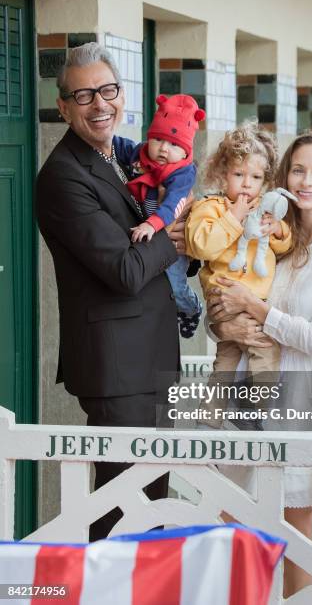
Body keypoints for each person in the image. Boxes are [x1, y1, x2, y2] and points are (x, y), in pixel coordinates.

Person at [205, 132, 312, 596]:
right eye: (298, 170)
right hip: (248, 396)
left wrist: (257, 309)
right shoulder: (275, 236)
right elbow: (229, 300)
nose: (306, 181)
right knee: (231, 521)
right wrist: (227, 325)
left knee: (293, 533)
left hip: (303, 402)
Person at [36, 42, 184, 541]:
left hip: (152, 358)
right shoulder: (63, 176)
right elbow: (123, 270)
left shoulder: (122, 156)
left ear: (122, 94)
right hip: (116, 368)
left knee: (151, 502)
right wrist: (175, 237)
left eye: (109, 90)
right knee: (121, 505)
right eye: (84, 95)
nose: (100, 103)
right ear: (62, 107)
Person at [185, 121, 292, 425]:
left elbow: (288, 246)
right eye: (238, 174)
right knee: (247, 354)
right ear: (222, 173)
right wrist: (233, 217)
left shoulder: (268, 210)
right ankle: (239, 418)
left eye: (256, 177)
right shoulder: (212, 207)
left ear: (266, 181)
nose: (247, 184)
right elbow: (200, 245)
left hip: (254, 301)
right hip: (224, 298)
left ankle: (235, 417)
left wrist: (278, 231)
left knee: (244, 357)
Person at [113, 93, 205, 338]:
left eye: (174, 145)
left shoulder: (182, 174)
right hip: (152, 238)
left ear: (185, 150)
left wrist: (152, 226)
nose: (164, 149)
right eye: (158, 140)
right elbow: (116, 145)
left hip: (170, 240)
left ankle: (191, 307)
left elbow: (172, 205)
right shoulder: (141, 155)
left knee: (175, 284)